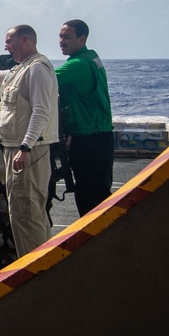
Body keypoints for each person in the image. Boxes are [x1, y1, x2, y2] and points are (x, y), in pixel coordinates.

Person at [0, 24, 59, 258]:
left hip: (29, 151)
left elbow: (41, 111)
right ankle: (37, 264)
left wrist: (26, 146)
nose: (5, 46)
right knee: (22, 211)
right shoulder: (20, 70)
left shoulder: (37, 70)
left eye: (9, 41)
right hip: (16, 149)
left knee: (27, 212)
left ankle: (35, 270)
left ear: (25, 40)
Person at [55, 19, 114, 216]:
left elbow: (42, 78)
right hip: (100, 138)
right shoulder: (91, 58)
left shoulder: (79, 65)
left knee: (90, 199)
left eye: (67, 37)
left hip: (90, 140)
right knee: (98, 194)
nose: (62, 41)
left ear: (82, 39)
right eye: (61, 36)